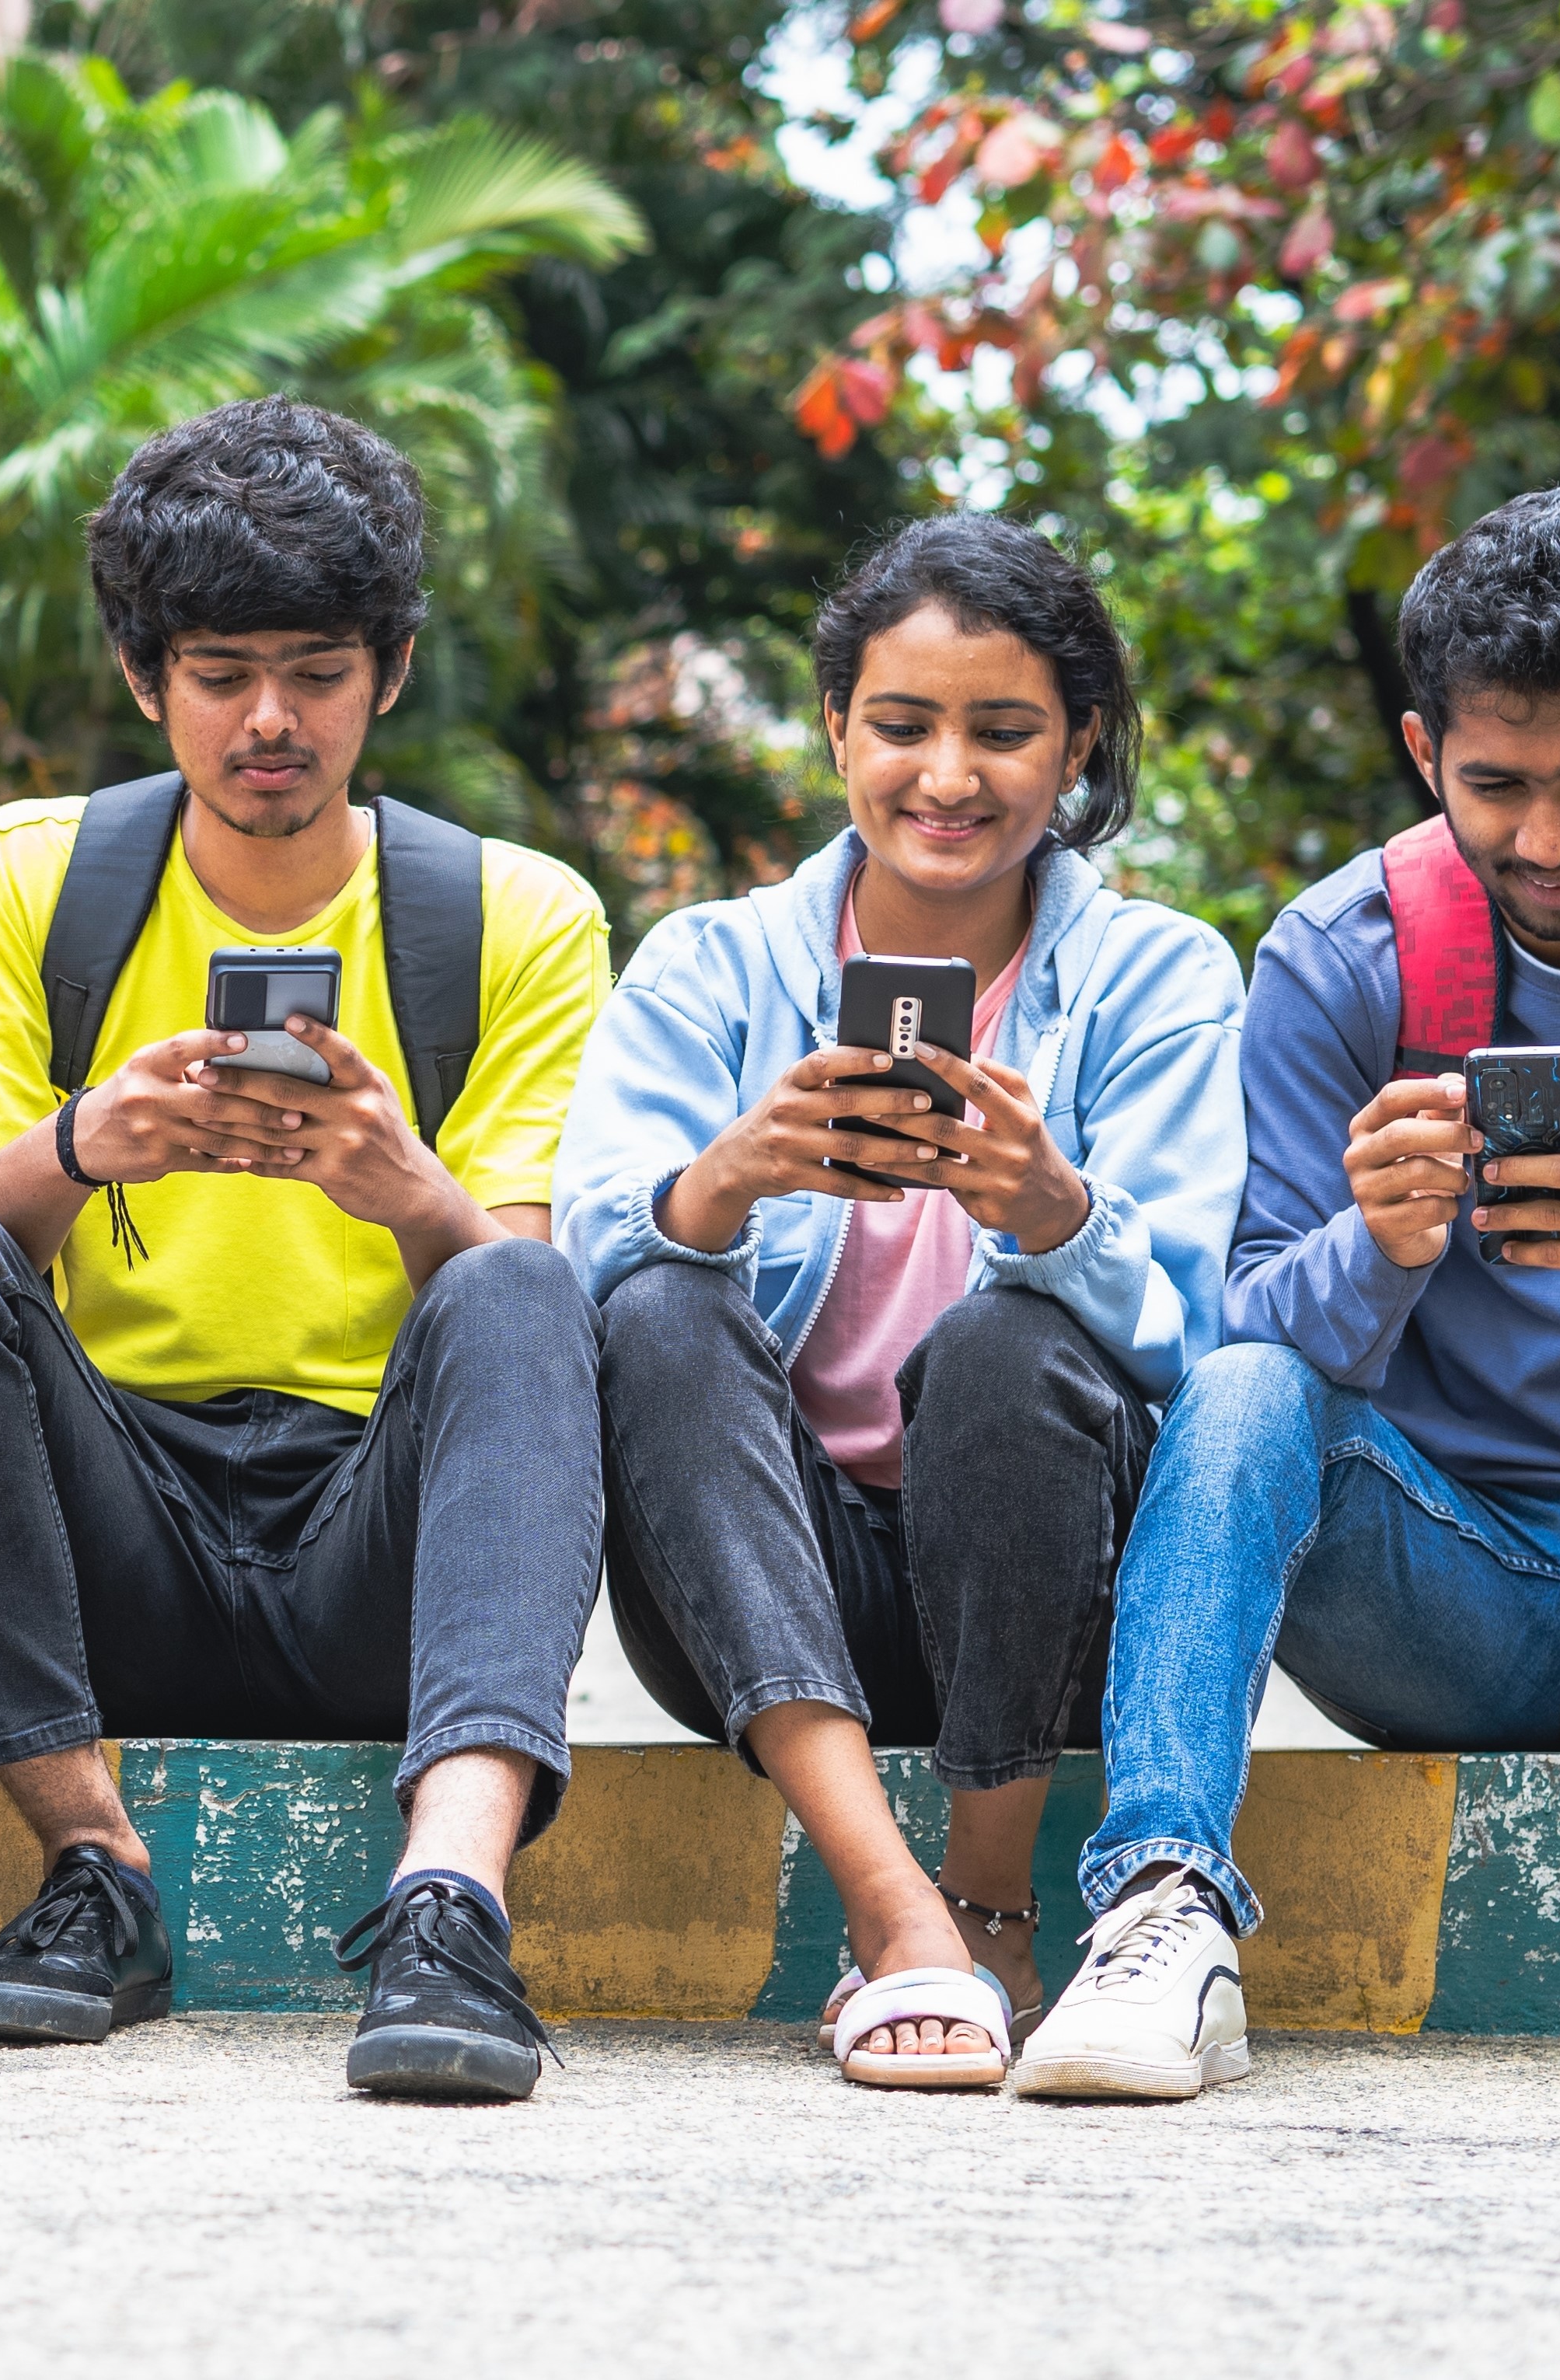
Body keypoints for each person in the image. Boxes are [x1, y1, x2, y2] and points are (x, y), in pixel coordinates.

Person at [1017, 487, 1560, 2117]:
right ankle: (1160, 1911)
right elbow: (1257, 1317)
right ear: (1426, 755)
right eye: (1496, 787)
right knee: (1246, 1390)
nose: (1547, 842)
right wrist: (1383, 1243)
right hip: (1431, 1595)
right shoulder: (1341, 953)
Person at [0, 397, 612, 2103]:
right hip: (110, 1547)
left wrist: (402, 1185)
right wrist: (89, 1139)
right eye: (221, 669)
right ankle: (94, 1870)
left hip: (374, 1554)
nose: (267, 719)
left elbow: (514, 1291)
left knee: (519, 1281)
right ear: (141, 673)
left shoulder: (516, 913)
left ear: (388, 671)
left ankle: (451, 1899)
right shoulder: (33, 873)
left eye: (315, 670)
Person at [554, 515, 1244, 2088]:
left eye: (1003, 731)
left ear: (1073, 745)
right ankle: (899, 1911)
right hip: (766, 1594)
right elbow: (576, 1266)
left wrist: (1050, 1211)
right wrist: (723, 1180)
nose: (948, 776)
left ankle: (993, 1902)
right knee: (658, 1307)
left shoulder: (1160, 976)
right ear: (834, 732)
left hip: (1045, 1582)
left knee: (1005, 1337)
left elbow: (1202, 1338)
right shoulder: (709, 964)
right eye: (902, 726)